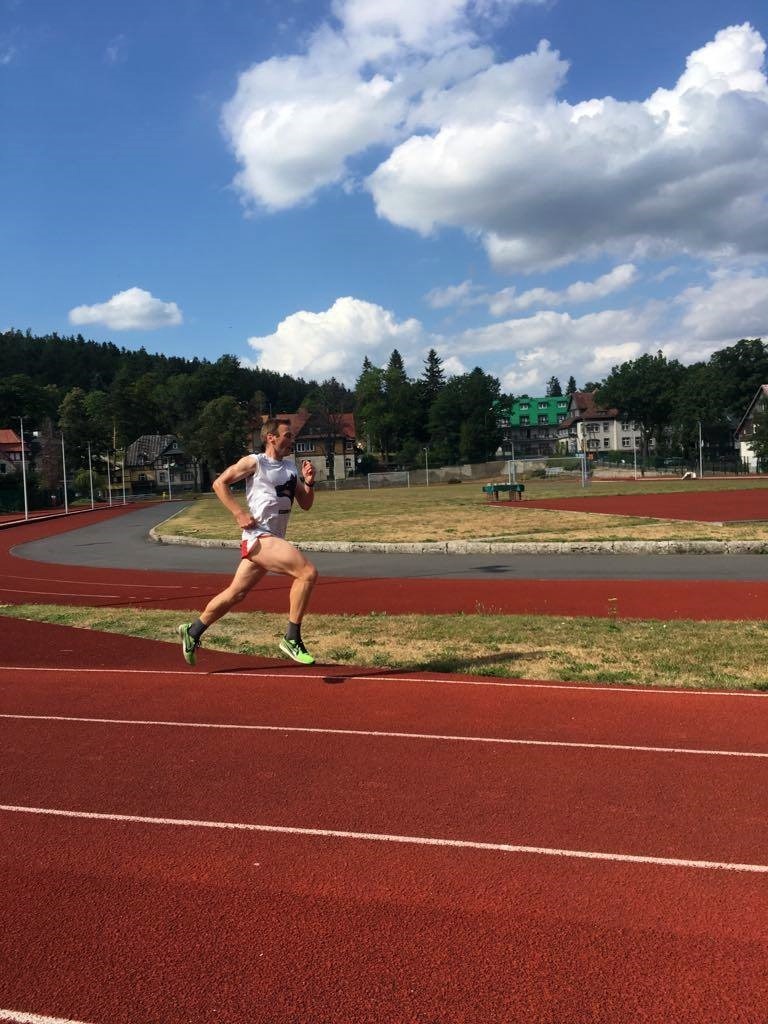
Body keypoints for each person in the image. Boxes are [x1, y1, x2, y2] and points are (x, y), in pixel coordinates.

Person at [177, 419, 318, 667]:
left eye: (292, 436)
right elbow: (219, 483)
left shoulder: (290, 468)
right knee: (307, 573)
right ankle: (291, 638)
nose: (292, 439)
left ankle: (193, 631)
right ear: (270, 437)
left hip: (273, 540)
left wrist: (308, 482)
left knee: (236, 593)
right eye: (287, 435)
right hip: (258, 537)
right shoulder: (255, 462)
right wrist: (238, 513)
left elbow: (305, 504)